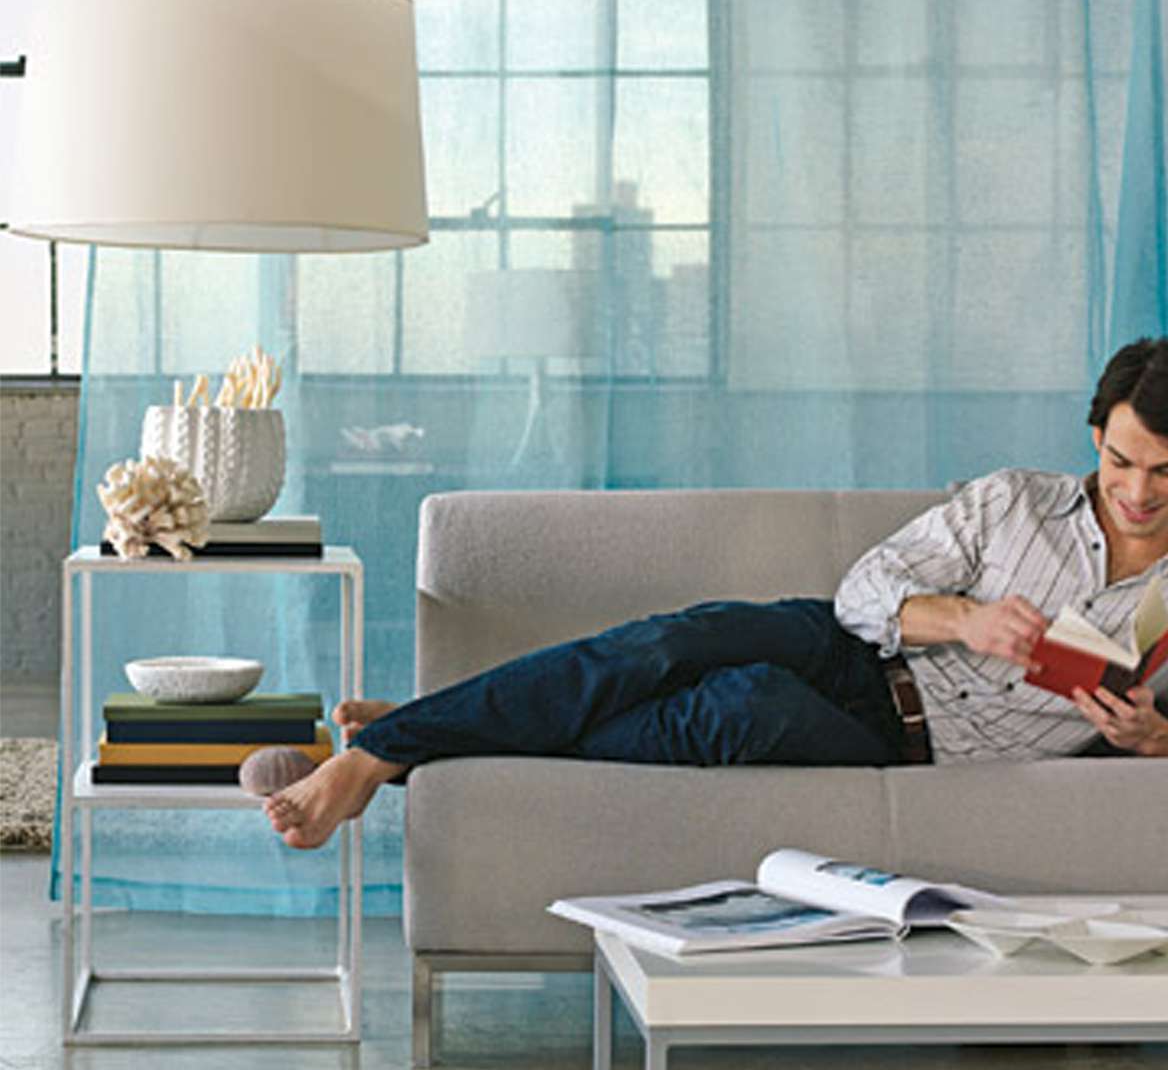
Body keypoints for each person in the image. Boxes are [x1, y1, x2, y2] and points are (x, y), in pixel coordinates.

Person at [266, 337, 1168, 849]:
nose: (1136, 492)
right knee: (666, 646)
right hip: (855, 649)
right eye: (1120, 460)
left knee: (736, 707)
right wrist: (964, 618)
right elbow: (866, 590)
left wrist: (1149, 737)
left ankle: (424, 736)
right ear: (1095, 435)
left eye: (1165, 474)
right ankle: (394, 747)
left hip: (897, 741)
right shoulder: (1015, 501)